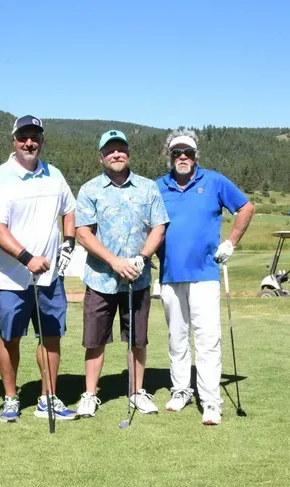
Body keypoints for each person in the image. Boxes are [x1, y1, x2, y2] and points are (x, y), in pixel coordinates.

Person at [0, 115, 78, 423]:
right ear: (14, 140)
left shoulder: (54, 175)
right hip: (12, 277)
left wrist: (69, 242)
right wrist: (28, 258)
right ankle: (11, 398)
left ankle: (47, 397)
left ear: (41, 140)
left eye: (35, 136)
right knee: (10, 337)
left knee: (51, 336)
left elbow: (69, 209)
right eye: (24, 136)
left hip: (50, 276)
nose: (29, 142)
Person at [155, 128, 255, 425]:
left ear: (196, 155)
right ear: (169, 157)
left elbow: (246, 207)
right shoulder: (158, 186)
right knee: (177, 338)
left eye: (187, 152)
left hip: (205, 274)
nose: (182, 157)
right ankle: (181, 390)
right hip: (171, 275)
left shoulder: (213, 181)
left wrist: (231, 242)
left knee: (208, 339)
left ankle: (211, 401)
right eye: (176, 153)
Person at [75, 130, 169, 418]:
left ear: (128, 153)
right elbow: (83, 234)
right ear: (101, 156)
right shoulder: (90, 189)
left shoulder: (147, 188)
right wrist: (114, 261)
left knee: (137, 340)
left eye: (121, 149)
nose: (116, 154)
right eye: (110, 150)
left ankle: (136, 392)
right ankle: (90, 394)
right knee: (95, 341)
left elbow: (159, 227)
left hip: (137, 280)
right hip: (100, 279)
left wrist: (142, 258)